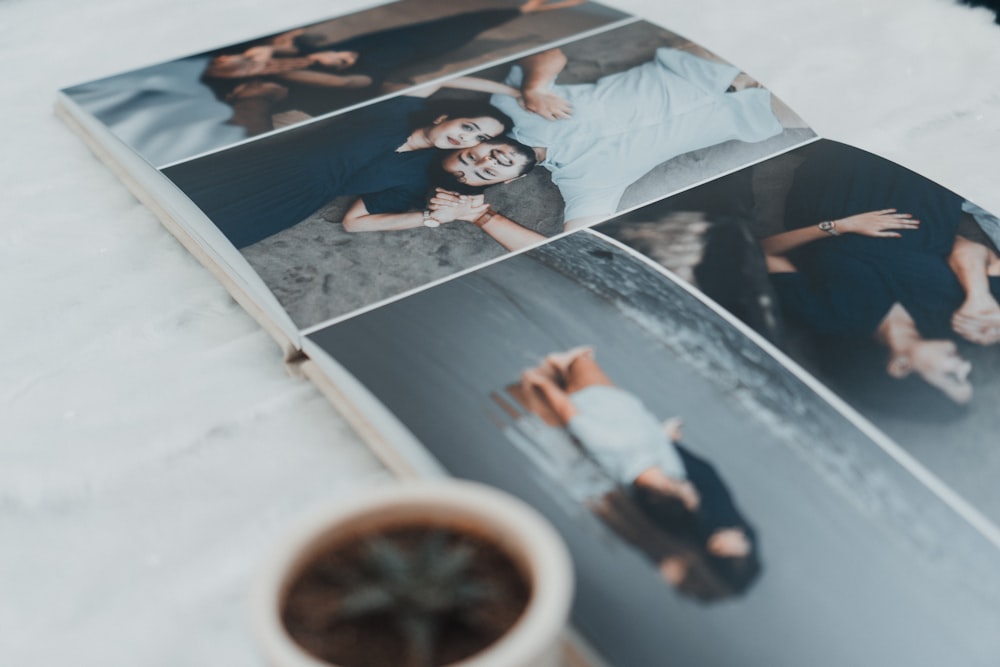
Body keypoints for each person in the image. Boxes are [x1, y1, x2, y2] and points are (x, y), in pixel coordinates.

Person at [427, 45, 793, 250]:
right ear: (505, 182)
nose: (484, 163)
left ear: (481, 141)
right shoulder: (584, 185)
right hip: (759, 113)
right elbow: (575, 247)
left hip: (702, 61)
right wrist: (481, 217)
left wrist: (535, 89)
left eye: (469, 157)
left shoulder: (512, 106)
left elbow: (546, 54)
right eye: (482, 175)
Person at [758, 143, 1000, 403]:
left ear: (900, 368)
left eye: (952, 377)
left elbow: (762, 253)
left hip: (847, 173)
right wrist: (979, 294)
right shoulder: (962, 324)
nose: (965, 368)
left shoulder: (832, 316)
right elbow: (967, 248)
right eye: (968, 377)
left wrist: (839, 227)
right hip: (933, 173)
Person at [162, 81, 533, 248]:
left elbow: (355, 223)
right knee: (160, 196)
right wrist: (517, 92)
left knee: (185, 244)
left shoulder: (422, 177)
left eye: (480, 141)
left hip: (289, 202)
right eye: (469, 127)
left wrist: (433, 218)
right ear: (447, 116)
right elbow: (433, 80)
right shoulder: (399, 113)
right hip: (259, 164)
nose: (470, 142)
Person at [519, 346, 760, 593]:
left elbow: (575, 417)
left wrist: (546, 386)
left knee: (580, 372)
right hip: (643, 445)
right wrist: (663, 440)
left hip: (615, 423)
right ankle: (561, 375)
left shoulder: (685, 516)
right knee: (584, 388)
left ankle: (561, 372)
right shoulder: (684, 489)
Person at [202, 0, 589, 134]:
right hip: (385, 60)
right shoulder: (319, 103)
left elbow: (231, 66)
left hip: (359, 54)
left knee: (440, 31)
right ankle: (524, 8)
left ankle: (523, 8)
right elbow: (359, 82)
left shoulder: (236, 81)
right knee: (448, 35)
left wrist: (286, 56)